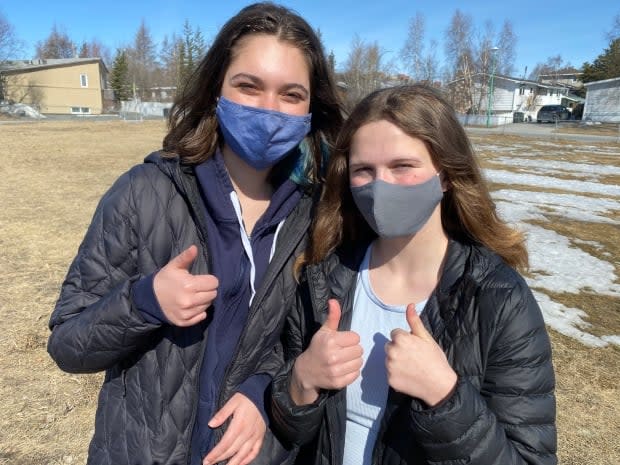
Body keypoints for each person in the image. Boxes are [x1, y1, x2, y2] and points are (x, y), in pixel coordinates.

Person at [47, 3, 343, 465]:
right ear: (215, 89)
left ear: (312, 107)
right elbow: (67, 344)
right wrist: (144, 300)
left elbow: (297, 346)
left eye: (290, 94)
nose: (269, 110)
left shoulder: (315, 216)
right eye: (248, 86)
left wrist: (263, 393)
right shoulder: (144, 193)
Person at [270, 84, 557, 465]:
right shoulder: (325, 278)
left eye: (402, 166)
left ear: (445, 175)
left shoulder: (499, 299)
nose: (380, 185)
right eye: (363, 170)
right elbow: (292, 433)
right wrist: (300, 382)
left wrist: (445, 396)